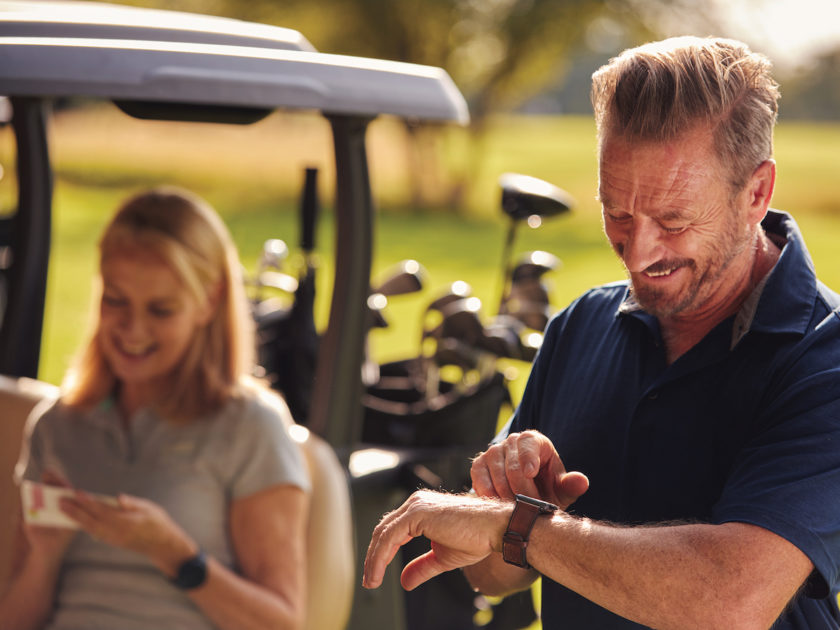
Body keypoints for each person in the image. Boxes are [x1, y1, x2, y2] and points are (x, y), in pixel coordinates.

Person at [363, 36, 840, 629]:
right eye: (616, 211)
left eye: (674, 220)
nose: (638, 253)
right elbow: (493, 573)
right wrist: (511, 510)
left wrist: (522, 528)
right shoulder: (581, 325)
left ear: (757, 193)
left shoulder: (825, 359)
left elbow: (728, 602)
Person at [0, 187, 311, 630]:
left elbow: (282, 623)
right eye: (116, 301)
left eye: (161, 310)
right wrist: (44, 559)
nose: (132, 330)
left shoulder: (250, 427)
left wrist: (175, 555)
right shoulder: (58, 426)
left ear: (208, 302)